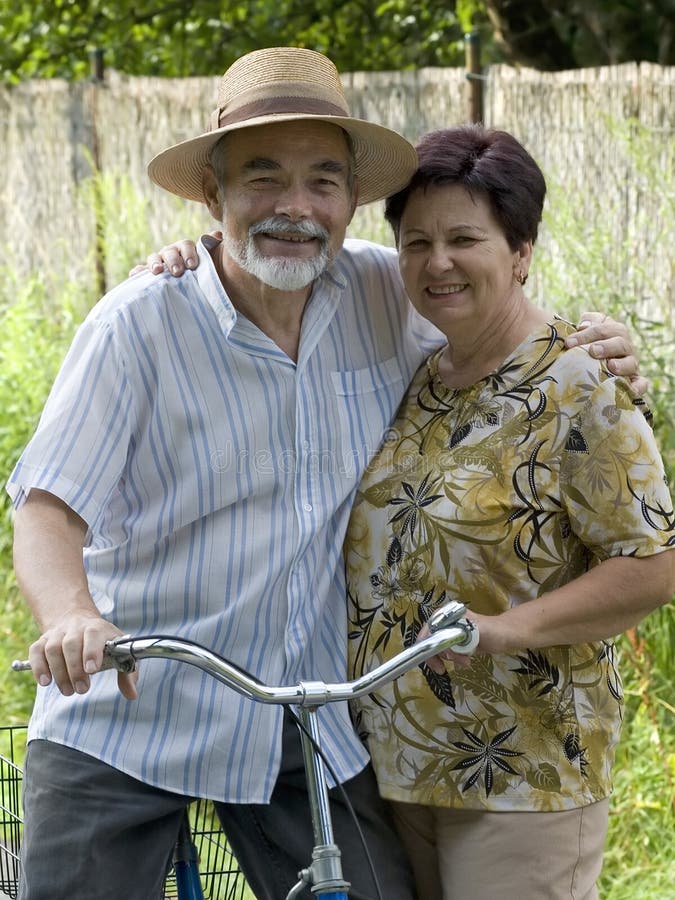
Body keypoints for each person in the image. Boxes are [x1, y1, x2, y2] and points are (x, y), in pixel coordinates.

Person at [8, 46, 642, 900]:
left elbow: (501, 333)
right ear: (214, 195)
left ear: (351, 201)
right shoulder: (138, 325)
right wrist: (72, 615)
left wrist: (597, 347)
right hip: (132, 710)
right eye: (262, 179)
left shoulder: (390, 294)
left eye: (323, 183)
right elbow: (49, 503)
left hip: (297, 717)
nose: (294, 208)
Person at [342, 125, 674, 900]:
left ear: (520, 250)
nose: (436, 262)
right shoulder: (420, 375)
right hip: (399, 765)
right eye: (415, 241)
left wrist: (499, 631)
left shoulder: (579, 381)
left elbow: (654, 565)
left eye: (464, 238)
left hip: (525, 769)